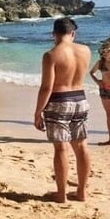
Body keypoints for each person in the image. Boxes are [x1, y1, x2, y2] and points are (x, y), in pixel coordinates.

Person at [34, 17, 92, 203]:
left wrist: (38, 112)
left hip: (59, 101)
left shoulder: (51, 55)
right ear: (73, 33)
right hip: (80, 99)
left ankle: (61, 194)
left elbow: (46, 88)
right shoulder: (85, 50)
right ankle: (82, 192)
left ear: (54, 34)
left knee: (61, 149)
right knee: (81, 146)